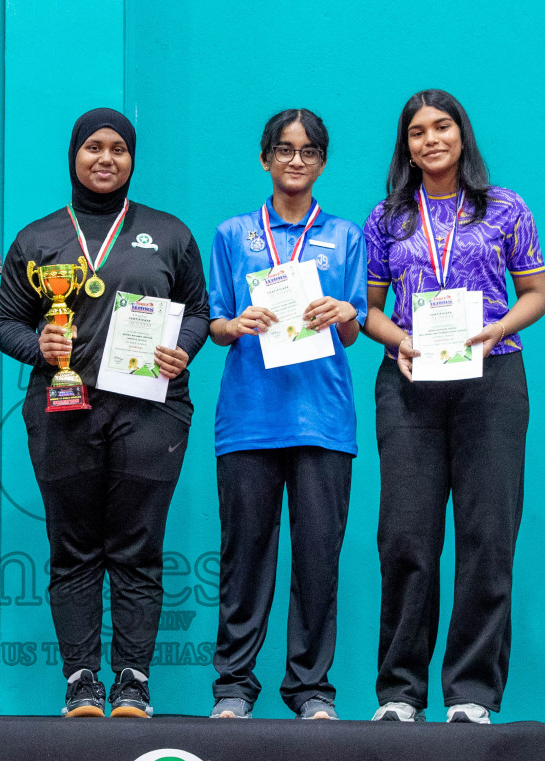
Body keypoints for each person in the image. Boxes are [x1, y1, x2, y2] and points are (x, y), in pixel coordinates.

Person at [0, 108, 210, 718]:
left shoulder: (168, 232)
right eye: (94, 147)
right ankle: (82, 679)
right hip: (64, 409)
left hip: (152, 411)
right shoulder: (38, 239)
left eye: (119, 148)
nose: (106, 159)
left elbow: (197, 310)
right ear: (74, 156)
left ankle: (134, 680)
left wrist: (183, 348)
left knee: (138, 548)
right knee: (75, 549)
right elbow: (5, 323)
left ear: (132, 159)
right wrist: (39, 346)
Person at [360, 89, 545, 725]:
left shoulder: (505, 209)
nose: (430, 139)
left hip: (491, 379)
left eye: (442, 127)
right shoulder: (387, 217)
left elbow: (536, 293)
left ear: (462, 136)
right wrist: (400, 340)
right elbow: (371, 310)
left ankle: (471, 692)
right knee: (405, 537)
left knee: (487, 536)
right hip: (409, 380)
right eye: (417, 132)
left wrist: (499, 328)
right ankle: (399, 693)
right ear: (406, 147)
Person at [204, 109, 366, 721]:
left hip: (323, 420)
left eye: (308, 151)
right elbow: (215, 322)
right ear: (265, 158)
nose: (295, 160)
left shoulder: (346, 236)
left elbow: (353, 331)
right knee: (244, 558)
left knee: (319, 559)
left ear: (322, 162)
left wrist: (343, 313)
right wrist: (234, 323)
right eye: (283, 149)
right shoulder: (232, 233)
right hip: (248, 419)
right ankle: (234, 687)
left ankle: (311, 689)